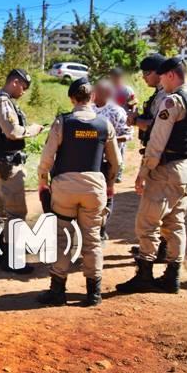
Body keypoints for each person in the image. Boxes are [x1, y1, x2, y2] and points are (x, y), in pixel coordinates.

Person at [116, 57, 187, 294]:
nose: (160, 82)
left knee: (148, 223)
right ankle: (172, 277)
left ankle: (145, 276)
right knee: (176, 224)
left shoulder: (173, 101)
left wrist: (143, 172)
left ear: (170, 75)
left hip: (166, 171)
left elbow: (157, 142)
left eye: (161, 77)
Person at [36, 78, 120, 306]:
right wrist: (109, 184)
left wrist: (43, 180)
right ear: (92, 98)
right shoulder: (104, 124)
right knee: (92, 239)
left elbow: (47, 158)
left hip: (65, 187)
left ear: (72, 98)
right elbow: (115, 160)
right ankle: (94, 293)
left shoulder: (62, 122)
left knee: (63, 237)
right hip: (94, 187)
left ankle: (57, 291)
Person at [0, 68, 44, 273]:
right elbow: (12, 132)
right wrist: (33, 131)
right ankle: (12, 258)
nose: (24, 92)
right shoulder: (3, 102)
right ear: (16, 82)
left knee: (0, 211)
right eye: (24, 87)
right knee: (16, 213)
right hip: (7, 165)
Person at [127, 54, 168, 260]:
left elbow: (155, 125)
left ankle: (151, 255)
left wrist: (136, 121)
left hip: (159, 158)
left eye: (147, 73)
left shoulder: (164, 96)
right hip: (162, 157)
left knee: (152, 212)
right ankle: (160, 250)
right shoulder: (162, 94)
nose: (144, 77)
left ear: (159, 73)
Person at [92, 78, 131, 239]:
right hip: (92, 159)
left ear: (107, 93)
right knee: (93, 194)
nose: (94, 93)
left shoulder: (117, 111)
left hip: (110, 161)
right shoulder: (90, 109)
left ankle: (102, 227)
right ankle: (92, 227)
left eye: (98, 91)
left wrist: (108, 140)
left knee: (107, 194)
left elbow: (128, 135)